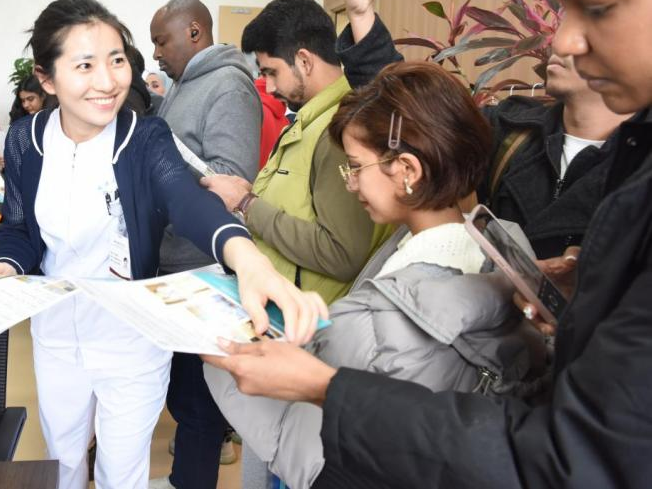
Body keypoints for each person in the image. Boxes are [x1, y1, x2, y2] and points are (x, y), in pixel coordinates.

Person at [205, 0, 652, 486]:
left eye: (597, 7)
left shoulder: (375, 321)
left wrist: (326, 388)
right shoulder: (515, 133)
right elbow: (415, 116)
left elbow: (579, 457)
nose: (563, 42)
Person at [0, 0, 326, 489]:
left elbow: (188, 202)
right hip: (56, 333)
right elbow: (18, 228)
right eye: (85, 66)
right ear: (47, 78)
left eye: (116, 60)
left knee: (122, 472)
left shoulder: (145, 138)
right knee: (63, 462)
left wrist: (247, 257)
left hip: (131, 337)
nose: (108, 81)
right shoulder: (25, 140)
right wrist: (5, 267)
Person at [205, 61, 542, 488]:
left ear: (407, 170)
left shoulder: (373, 323)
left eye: (355, 167)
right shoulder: (508, 252)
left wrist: (218, 353)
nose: (350, 185)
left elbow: (306, 448)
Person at [336, 0, 633, 261]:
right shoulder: (512, 129)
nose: (560, 42)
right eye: (564, 25)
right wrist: (361, 13)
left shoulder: (640, 166)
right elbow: (409, 113)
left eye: (587, 30)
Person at [203, 0, 396, 307]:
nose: (269, 87)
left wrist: (247, 204)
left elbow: (341, 253)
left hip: (307, 318)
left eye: (272, 72)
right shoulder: (312, 119)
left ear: (304, 61)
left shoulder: (339, 131)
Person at [149, 0, 262, 489]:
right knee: (183, 396)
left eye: (161, 41)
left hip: (204, 268)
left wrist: (159, 160)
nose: (156, 53)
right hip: (175, 266)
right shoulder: (183, 83)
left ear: (194, 32)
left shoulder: (228, 86)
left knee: (199, 406)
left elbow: (230, 181)